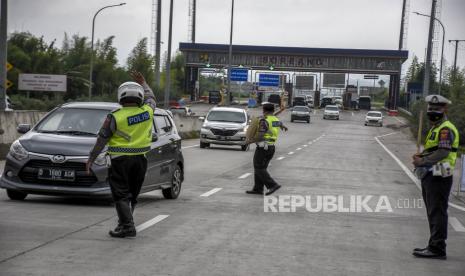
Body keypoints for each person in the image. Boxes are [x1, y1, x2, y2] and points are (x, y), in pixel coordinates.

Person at [86, 72, 156, 238]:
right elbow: (152, 99)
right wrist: (144, 83)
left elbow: (101, 140)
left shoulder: (114, 117)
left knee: (120, 195)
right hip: (141, 161)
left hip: (120, 161)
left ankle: (127, 227)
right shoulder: (147, 112)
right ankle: (123, 224)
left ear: (120, 97)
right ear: (139, 97)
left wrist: (91, 159)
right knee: (131, 195)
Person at [412, 94, 459, 259]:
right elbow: (435, 148)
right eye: (430, 109)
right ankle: (434, 245)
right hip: (434, 173)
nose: (433, 111)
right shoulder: (437, 127)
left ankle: (437, 248)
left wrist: (423, 161)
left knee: (437, 211)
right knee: (433, 211)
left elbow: (443, 151)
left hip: (440, 173)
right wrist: (422, 156)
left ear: (445, 109)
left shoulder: (445, 129)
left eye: (437, 109)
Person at [246, 102, 288, 196]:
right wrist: (283, 127)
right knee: (261, 168)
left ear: (264, 110)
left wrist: (249, 141)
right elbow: (279, 123)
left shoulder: (264, 121)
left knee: (259, 167)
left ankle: (272, 185)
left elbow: (260, 135)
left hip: (263, 148)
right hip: (271, 147)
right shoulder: (274, 119)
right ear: (273, 110)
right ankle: (258, 188)